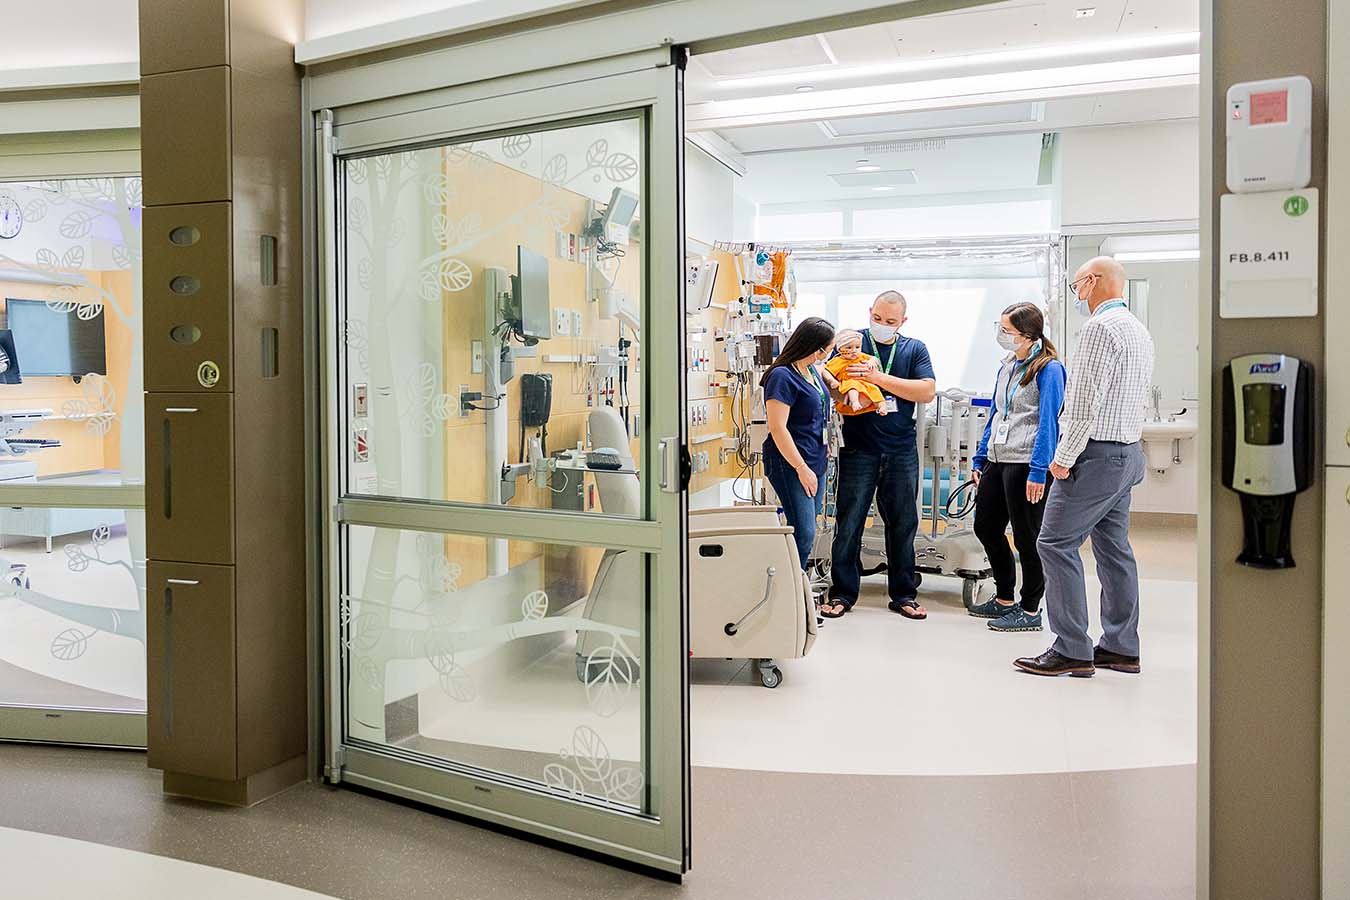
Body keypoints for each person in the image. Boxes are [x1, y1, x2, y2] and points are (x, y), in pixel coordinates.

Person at [1015, 257, 1155, 677]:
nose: (1074, 293)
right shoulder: (1138, 330)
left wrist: (1062, 458)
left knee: (1053, 544)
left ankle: (1072, 648)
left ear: (1090, 282)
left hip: (1095, 456)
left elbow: (1082, 404)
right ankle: (1121, 646)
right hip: (1127, 454)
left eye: (1075, 285)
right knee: (1114, 550)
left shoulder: (1098, 329)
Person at [821, 291, 936, 620]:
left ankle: (903, 594)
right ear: (870, 312)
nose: (883, 325)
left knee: (903, 524)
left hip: (900, 450)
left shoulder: (914, 349)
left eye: (891, 322)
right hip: (858, 449)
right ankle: (842, 592)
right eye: (878, 318)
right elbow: (829, 378)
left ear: (903, 321)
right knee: (849, 522)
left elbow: (926, 390)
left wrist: (877, 380)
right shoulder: (851, 343)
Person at [969, 302, 1066, 633]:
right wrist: (981, 458)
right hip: (999, 459)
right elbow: (998, 415)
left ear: (1027, 335)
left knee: (1027, 538)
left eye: (1006, 330)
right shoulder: (1008, 366)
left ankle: (1030, 608)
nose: (1001, 335)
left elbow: (1048, 423)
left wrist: (1040, 471)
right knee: (985, 526)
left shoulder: (1050, 370)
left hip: (1027, 463)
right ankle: (1005, 597)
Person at [761, 317, 836, 573]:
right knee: (803, 532)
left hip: (815, 458)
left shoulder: (811, 370)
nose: (828, 354)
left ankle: (795, 587)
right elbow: (777, 427)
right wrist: (801, 467)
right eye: (828, 349)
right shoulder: (782, 376)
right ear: (816, 348)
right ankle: (790, 591)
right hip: (790, 463)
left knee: (808, 529)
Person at [821, 330, 888, 416]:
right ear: (840, 349)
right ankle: (855, 402)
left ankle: (881, 406)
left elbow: (874, 358)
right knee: (852, 386)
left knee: (874, 389)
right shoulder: (837, 361)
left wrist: (872, 361)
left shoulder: (862, 356)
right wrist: (831, 381)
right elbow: (825, 371)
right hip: (848, 383)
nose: (854, 350)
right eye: (849, 348)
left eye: (857, 347)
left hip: (864, 384)